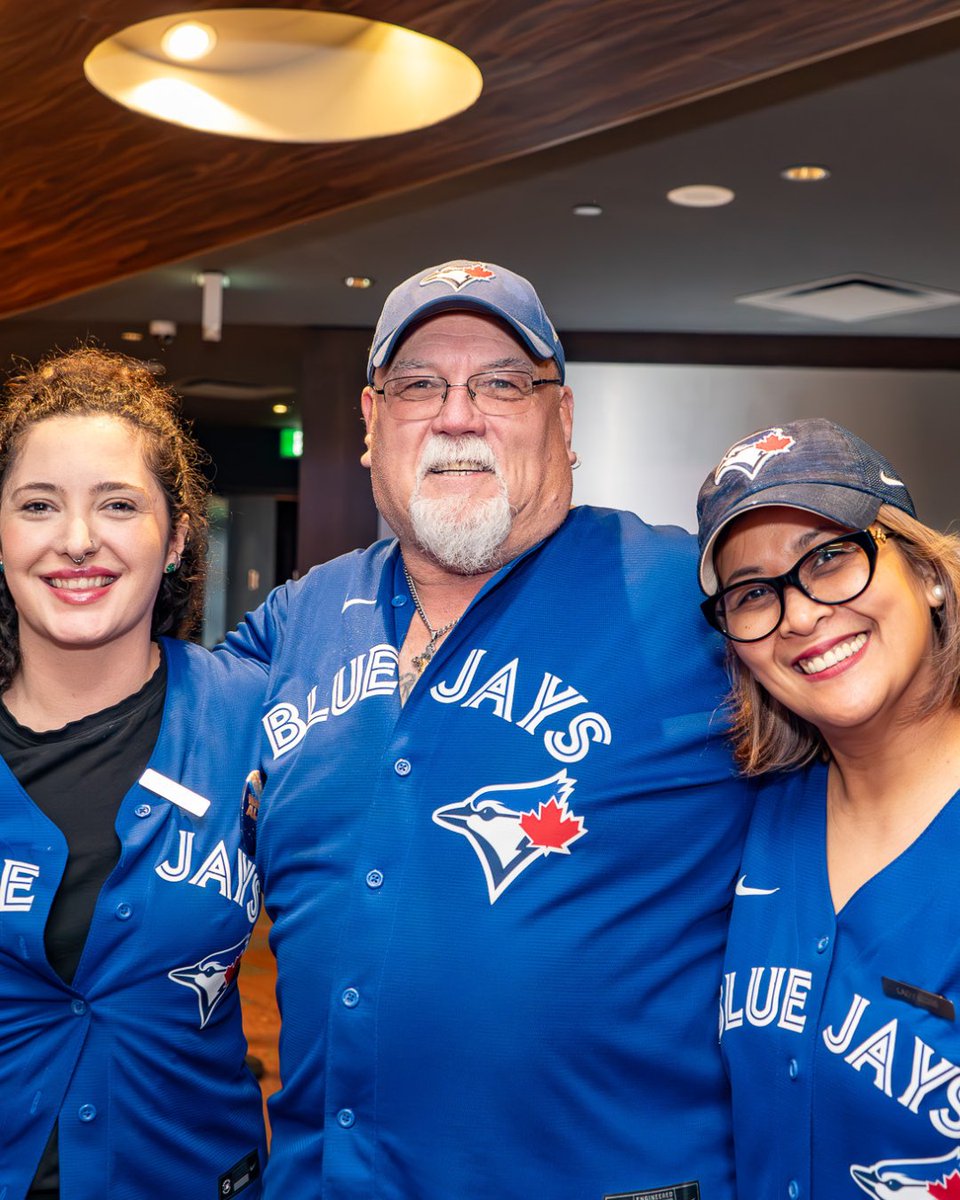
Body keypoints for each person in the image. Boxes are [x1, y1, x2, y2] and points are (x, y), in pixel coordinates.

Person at [225, 259, 754, 1199]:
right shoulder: (299, 620)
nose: (458, 416)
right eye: (419, 386)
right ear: (370, 422)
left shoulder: (694, 601)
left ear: (564, 419)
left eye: (503, 384)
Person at [0, 347, 267, 1199]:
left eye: (118, 504)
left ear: (178, 535)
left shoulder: (255, 719)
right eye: (38, 505)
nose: (77, 539)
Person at [696, 417, 960, 1200]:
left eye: (830, 557)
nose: (802, 615)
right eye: (753, 593)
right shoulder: (759, 820)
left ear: (927, 573)